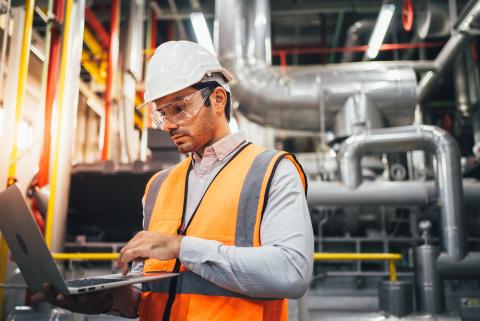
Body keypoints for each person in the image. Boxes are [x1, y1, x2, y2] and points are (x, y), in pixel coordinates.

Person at [32, 40, 314, 321]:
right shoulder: (158, 186)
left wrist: (181, 246)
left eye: (178, 108)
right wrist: (109, 299)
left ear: (218, 99)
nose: (167, 124)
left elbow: (292, 273)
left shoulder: (272, 170)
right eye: (162, 113)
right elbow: (149, 289)